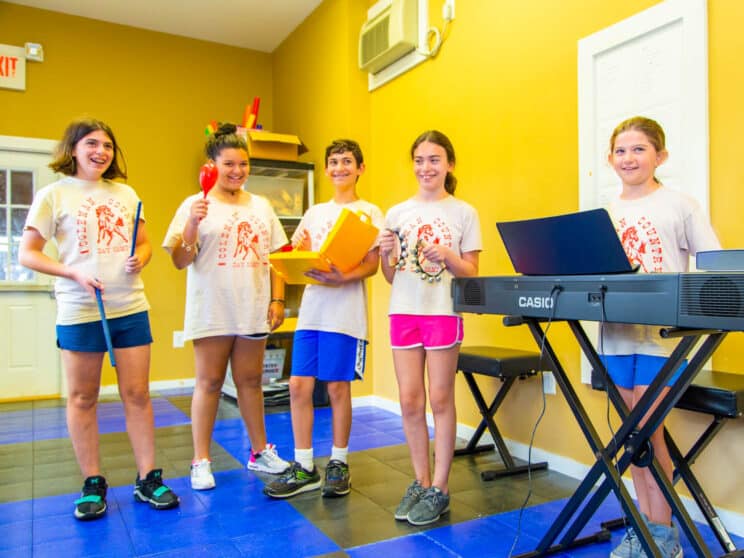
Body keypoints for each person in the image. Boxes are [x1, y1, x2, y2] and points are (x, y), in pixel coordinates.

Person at [18, 118, 179, 520]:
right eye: (92, 144)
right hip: (79, 309)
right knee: (83, 398)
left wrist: (140, 257)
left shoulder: (125, 193)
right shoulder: (53, 195)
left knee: (138, 395)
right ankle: (93, 482)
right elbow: (29, 254)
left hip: (129, 307)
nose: (101, 152)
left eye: (108, 145)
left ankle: (147, 478)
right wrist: (72, 272)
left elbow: (144, 244)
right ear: (72, 149)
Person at [603, 116, 720, 558]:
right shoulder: (607, 213)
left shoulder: (680, 204)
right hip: (615, 336)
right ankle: (642, 526)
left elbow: (710, 262)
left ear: (660, 156)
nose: (628, 158)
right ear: (609, 159)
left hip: (662, 339)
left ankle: (663, 532)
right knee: (630, 435)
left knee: (649, 433)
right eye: (620, 150)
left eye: (638, 149)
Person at [163, 123, 290, 491]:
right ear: (211, 165)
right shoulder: (194, 204)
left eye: (243, 164)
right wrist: (191, 223)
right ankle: (200, 460)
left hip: (252, 306)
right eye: (229, 164)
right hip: (212, 308)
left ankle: (259, 451)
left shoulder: (261, 205)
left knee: (251, 382)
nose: (237, 171)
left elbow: (276, 258)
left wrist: (277, 298)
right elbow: (179, 261)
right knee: (210, 383)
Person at [263, 139, 383, 499]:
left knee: (335, 387)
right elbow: (295, 252)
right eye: (334, 162)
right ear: (327, 169)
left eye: (347, 161)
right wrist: (292, 260)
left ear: (360, 168)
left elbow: (372, 264)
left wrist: (342, 276)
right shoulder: (314, 212)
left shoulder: (370, 212)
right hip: (312, 313)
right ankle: (304, 465)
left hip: (344, 314)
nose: (340, 168)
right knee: (299, 385)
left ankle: (339, 462)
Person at [378, 130, 482, 526]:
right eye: (420, 160)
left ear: (449, 164)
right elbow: (390, 275)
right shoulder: (397, 212)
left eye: (434, 159)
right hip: (403, 311)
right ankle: (420, 482)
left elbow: (471, 272)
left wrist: (448, 255)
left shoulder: (463, 212)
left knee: (440, 399)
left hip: (442, 313)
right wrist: (386, 254)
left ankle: (440, 487)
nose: (426, 167)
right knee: (409, 400)